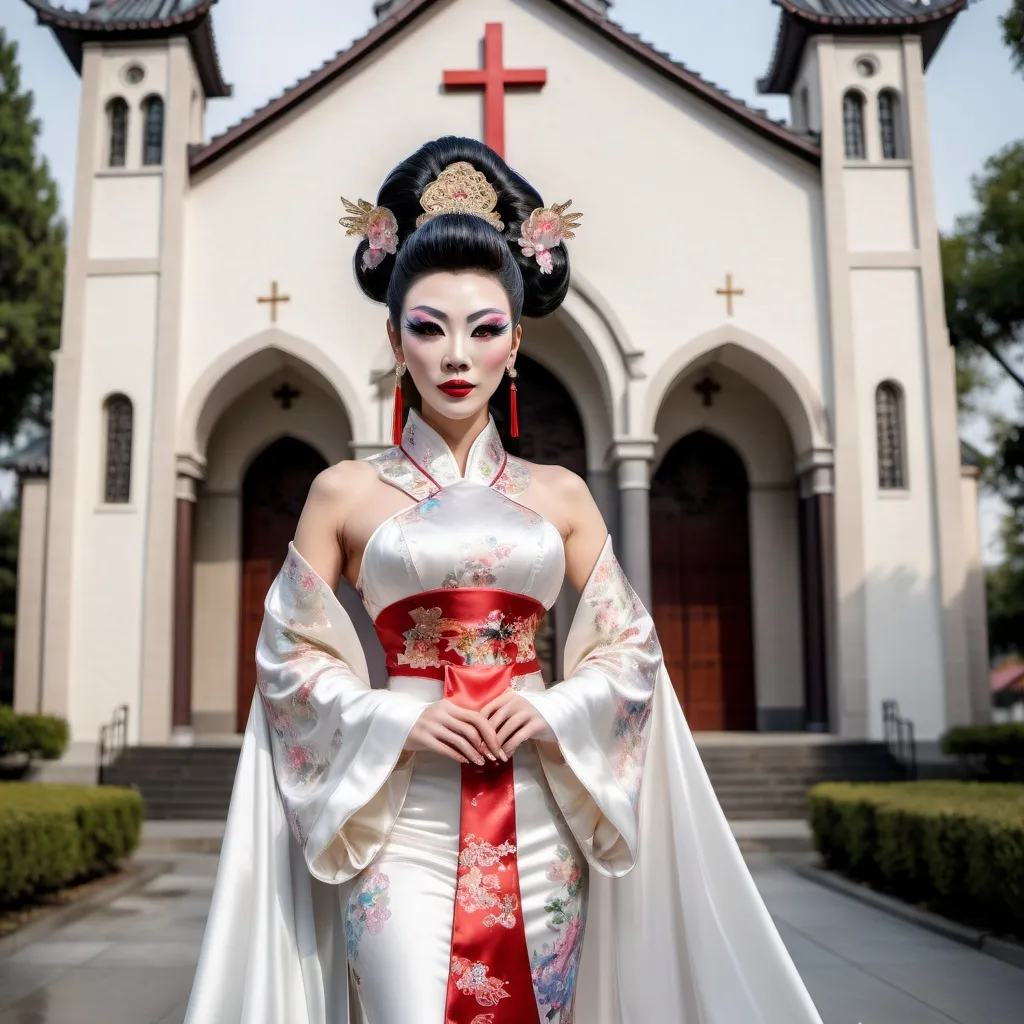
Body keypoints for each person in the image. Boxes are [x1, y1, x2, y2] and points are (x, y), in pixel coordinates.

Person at [185, 137, 824, 1024]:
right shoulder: (344, 491)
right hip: (396, 811)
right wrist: (397, 715)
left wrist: (556, 705)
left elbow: (630, 653)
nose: (456, 354)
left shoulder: (558, 496)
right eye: (428, 326)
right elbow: (287, 662)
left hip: (538, 813)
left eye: (484, 329)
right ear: (393, 335)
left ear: (516, 343)